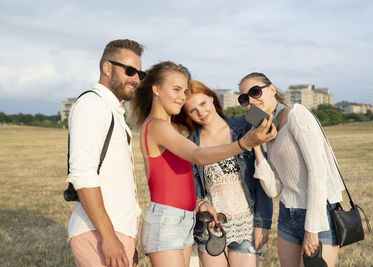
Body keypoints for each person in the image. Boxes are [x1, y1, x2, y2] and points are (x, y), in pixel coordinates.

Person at [130, 62, 276, 267]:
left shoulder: (172, 128)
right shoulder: (159, 127)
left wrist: (270, 98)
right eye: (176, 90)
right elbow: (197, 156)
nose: (181, 96)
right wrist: (245, 144)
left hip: (185, 219)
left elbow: (270, 118)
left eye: (184, 91)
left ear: (212, 98)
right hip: (168, 220)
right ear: (156, 89)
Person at [238, 72, 345, 267]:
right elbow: (274, 189)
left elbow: (318, 172)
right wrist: (256, 145)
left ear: (272, 89)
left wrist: (312, 229)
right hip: (288, 213)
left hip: (320, 213)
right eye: (244, 99)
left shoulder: (296, 114)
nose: (251, 101)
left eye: (255, 92)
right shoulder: (270, 128)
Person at [173, 80, 273, 267]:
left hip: (246, 224)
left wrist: (263, 223)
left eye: (203, 103)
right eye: (192, 110)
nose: (201, 113)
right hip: (210, 227)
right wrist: (200, 203)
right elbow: (191, 189)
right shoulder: (190, 144)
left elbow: (261, 176)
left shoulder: (245, 126)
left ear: (211, 98)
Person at [67, 39, 146, 267]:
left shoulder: (111, 109)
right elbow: (83, 174)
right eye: (129, 71)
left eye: (140, 73)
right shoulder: (93, 105)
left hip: (116, 230)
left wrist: (127, 238)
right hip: (100, 232)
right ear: (107, 68)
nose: (136, 79)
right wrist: (109, 237)